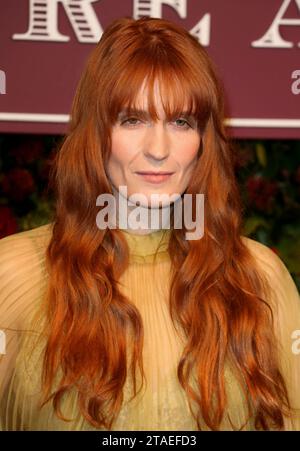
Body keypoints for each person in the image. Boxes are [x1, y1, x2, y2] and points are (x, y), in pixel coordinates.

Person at [0, 16, 300, 432]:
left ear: (203, 140)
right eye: (133, 119)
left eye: (181, 122)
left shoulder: (259, 276)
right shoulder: (10, 273)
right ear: (95, 132)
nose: (159, 150)